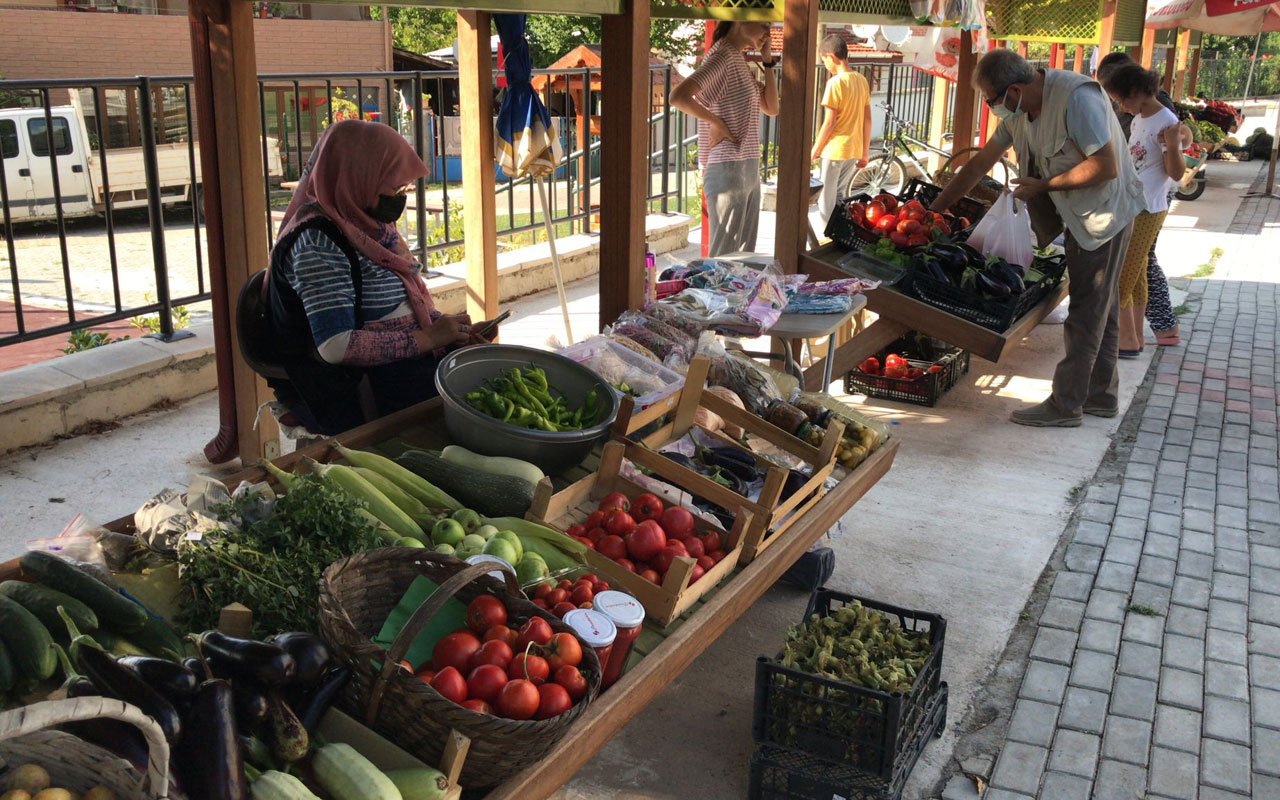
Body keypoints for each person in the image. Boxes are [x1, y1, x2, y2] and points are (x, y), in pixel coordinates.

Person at [930, 49, 1145, 427]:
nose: (989, 107)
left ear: (1012, 91)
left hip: (1104, 214)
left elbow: (1106, 166)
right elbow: (981, 162)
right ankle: (1101, 396)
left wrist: (1044, 185)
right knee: (1103, 308)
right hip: (1077, 214)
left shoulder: (1076, 98)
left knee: (1085, 311)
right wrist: (938, 206)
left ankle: (1066, 404)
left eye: (991, 100)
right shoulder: (1017, 113)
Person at [265, 120, 497, 435]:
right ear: (357, 177)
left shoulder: (367, 225)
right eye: (394, 188)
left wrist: (449, 330)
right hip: (354, 387)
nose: (401, 196)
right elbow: (334, 345)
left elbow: (401, 303)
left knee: (496, 374)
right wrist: (428, 339)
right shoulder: (318, 242)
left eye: (404, 188)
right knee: (481, 407)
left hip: (400, 367)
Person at [1096, 52, 1188, 347]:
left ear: (1136, 93)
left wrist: (1173, 145)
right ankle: (1134, 337)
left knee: (1123, 274)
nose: (1120, 107)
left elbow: (1175, 173)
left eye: (1120, 100)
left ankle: (1121, 340)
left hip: (1148, 209)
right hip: (1134, 204)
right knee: (1137, 276)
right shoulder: (1140, 118)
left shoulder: (1166, 121)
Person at [671, 21, 779, 257]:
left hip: (746, 166)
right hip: (728, 167)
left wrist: (768, 61)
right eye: (763, 25)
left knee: (743, 260)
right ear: (740, 19)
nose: (767, 34)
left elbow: (772, 107)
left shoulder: (736, 58)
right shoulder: (723, 55)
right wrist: (716, 122)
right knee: (724, 260)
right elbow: (678, 97)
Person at [811, 34, 872, 224]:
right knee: (839, 196)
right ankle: (838, 232)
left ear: (831, 57)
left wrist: (814, 150)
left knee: (826, 199)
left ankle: (825, 238)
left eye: (824, 61)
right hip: (853, 149)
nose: (825, 65)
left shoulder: (834, 83)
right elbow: (868, 119)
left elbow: (829, 122)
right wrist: (865, 153)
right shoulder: (861, 80)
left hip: (835, 150)